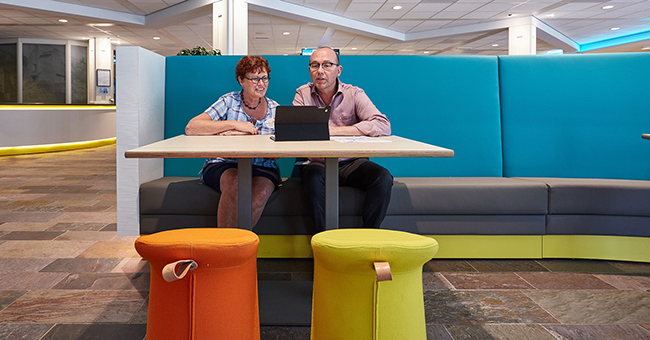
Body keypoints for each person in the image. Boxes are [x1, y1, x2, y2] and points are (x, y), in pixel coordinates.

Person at [293, 46, 393, 231]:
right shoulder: (302, 94)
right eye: (315, 65)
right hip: (317, 162)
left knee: (383, 177)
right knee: (313, 177)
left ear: (338, 70)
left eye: (327, 65)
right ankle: (323, 241)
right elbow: (297, 131)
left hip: (351, 163)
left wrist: (334, 131)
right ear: (309, 71)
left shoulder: (354, 94)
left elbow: (383, 124)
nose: (320, 71)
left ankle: (368, 238)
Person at [185, 56, 279, 228]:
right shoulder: (229, 101)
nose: (261, 84)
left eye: (264, 78)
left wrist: (246, 139)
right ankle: (225, 250)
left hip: (263, 167)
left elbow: (276, 156)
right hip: (224, 164)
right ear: (241, 81)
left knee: (260, 194)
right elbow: (192, 127)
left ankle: (234, 248)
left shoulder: (275, 108)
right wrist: (236, 125)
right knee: (235, 181)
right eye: (254, 79)